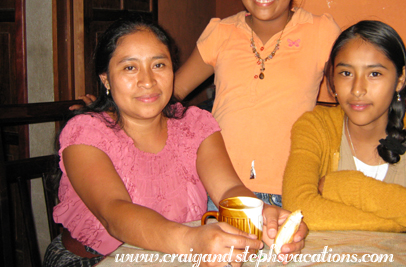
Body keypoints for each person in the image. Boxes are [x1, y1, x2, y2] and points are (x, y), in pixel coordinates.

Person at [43, 18, 307, 267]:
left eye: (159, 65)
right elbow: (114, 212)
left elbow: (228, 189)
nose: (147, 81)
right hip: (94, 261)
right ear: (105, 79)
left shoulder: (194, 126)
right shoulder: (86, 133)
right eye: (130, 67)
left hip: (175, 256)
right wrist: (191, 241)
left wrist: (263, 215)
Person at [174, 0, 340, 207]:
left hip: (295, 189)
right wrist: (110, 110)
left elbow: (355, 98)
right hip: (222, 189)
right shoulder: (221, 32)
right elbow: (172, 92)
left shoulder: (321, 30)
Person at [282, 20, 406, 238]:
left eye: (374, 74)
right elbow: (299, 213)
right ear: (332, 78)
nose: (357, 90)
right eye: (346, 73)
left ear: (400, 79)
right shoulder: (315, 128)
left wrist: (345, 187)